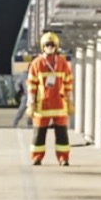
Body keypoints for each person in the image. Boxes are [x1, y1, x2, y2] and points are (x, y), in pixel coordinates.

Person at [25, 31, 74, 166]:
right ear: (43, 46)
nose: (50, 47)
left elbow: (68, 82)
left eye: (52, 44)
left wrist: (70, 100)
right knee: (39, 133)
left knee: (62, 134)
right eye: (47, 44)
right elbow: (31, 84)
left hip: (59, 104)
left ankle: (63, 158)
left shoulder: (62, 62)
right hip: (42, 104)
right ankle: (37, 157)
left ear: (56, 46)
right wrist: (30, 102)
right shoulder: (36, 63)